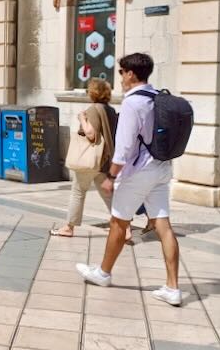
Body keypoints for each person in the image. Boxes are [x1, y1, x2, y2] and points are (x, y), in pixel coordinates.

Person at [77, 53, 182, 307]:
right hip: (161, 168)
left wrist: (111, 176)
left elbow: (123, 148)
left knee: (118, 222)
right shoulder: (158, 97)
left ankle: (103, 273)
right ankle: (173, 287)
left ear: (131, 74)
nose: (121, 77)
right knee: (163, 225)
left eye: (122, 72)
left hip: (137, 173)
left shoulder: (133, 104)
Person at [51, 78, 117, 238]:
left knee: (78, 192)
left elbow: (91, 134)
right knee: (107, 194)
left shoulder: (93, 110)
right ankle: (124, 226)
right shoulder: (110, 110)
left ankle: (68, 228)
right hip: (105, 160)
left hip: (91, 160)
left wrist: (82, 119)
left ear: (93, 92)